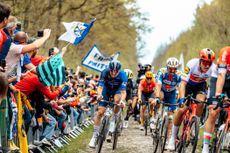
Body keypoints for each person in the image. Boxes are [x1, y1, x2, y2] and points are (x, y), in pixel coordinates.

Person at [167, 48, 216, 150]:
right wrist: (181, 99)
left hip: (200, 86)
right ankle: (172, 138)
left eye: (209, 63)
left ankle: (194, 123)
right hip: (188, 85)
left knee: (201, 102)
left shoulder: (213, 68)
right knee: (182, 109)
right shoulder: (191, 64)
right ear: (200, 60)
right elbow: (183, 84)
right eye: (205, 62)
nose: (207, 65)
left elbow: (214, 85)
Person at [89, 60, 128, 148]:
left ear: (119, 70)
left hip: (117, 90)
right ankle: (94, 136)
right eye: (112, 71)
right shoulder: (104, 72)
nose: (114, 73)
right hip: (106, 90)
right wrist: (99, 95)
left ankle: (113, 119)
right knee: (100, 112)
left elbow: (123, 92)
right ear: (109, 69)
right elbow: (100, 86)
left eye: (116, 71)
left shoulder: (123, 75)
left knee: (117, 101)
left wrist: (122, 101)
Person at [202, 46, 230, 153]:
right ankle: (205, 146)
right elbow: (221, 75)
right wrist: (218, 95)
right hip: (218, 78)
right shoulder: (225, 52)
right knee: (213, 111)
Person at [155, 57, 182, 139]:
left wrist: (180, 98)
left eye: (174, 69)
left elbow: (181, 87)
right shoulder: (162, 72)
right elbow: (158, 85)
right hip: (162, 90)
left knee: (170, 117)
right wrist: (157, 97)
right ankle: (156, 115)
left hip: (172, 93)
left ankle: (168, 136)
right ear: (167, 67)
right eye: (170, 69)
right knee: (160, 97)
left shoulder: (179, 75)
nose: (172, 71)